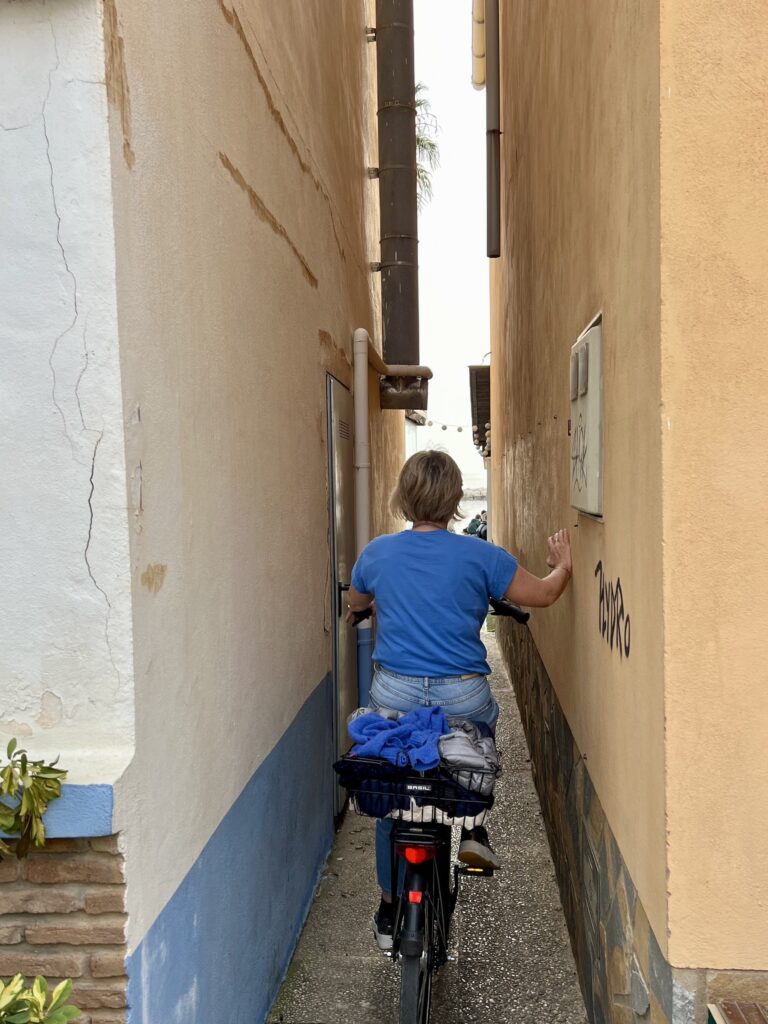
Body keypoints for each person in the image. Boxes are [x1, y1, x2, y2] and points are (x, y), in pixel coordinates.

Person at [346, 450, 573, 949]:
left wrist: (364, 605)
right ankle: (474, 826)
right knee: (483, 738)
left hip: (396, 691)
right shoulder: (481, 555)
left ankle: (389, 911)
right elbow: (544, 595)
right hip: (461, 692)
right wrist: (561, 566)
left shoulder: (378, 553)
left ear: (404, 497)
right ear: (452, 502)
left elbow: (356, 601)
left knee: (395, 793)